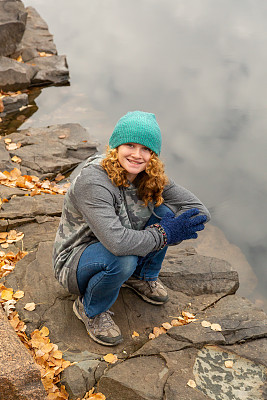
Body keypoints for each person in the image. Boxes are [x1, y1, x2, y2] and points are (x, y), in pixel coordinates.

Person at [53, 111, 210, 346]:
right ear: (116, 146)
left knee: (166, 213)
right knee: (123, 259)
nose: (137, 155)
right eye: (130, 145)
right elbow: (117, 243)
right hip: (76, 260)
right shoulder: (93, 181)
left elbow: (199, 211)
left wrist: (174, 225)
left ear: (153, 155)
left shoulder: (149, 176)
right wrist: (166, 233)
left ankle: (141, 276)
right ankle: (90, 309)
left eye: (146, 149)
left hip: (120, 243)